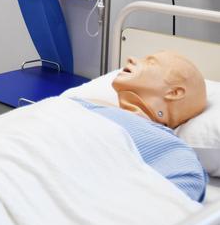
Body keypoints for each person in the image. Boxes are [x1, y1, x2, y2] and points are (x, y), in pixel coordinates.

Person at [75, 51, 208, 202]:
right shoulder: (80, 103)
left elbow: (163, 211)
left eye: (151, 62)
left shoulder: (175, 155)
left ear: (174, 92)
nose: (130, 58)